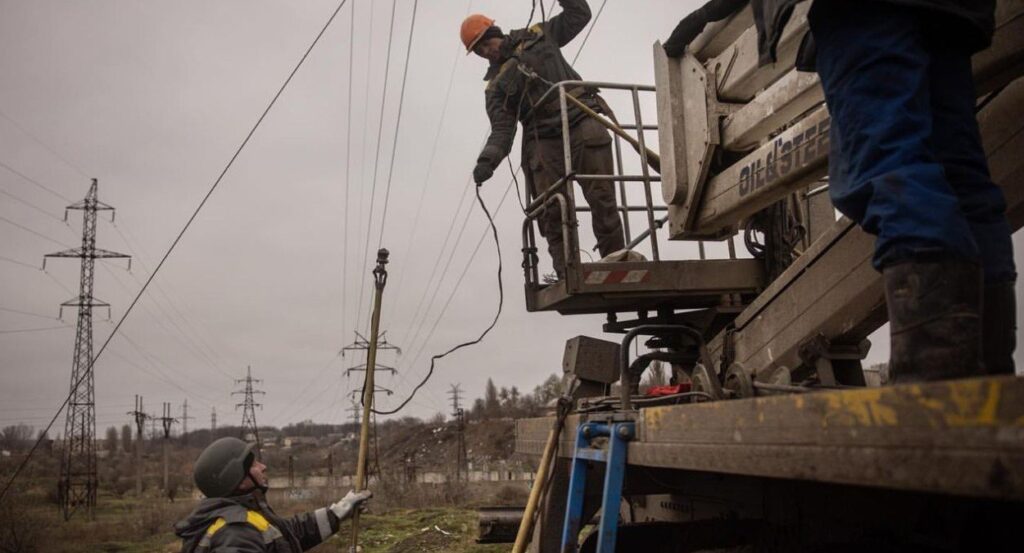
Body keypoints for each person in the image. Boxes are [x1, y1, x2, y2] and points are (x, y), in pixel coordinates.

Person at [665, 0, 1016, 381]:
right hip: (953, 14)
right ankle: (985, 373)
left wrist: (705, 17)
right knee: (961, 178)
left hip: (864, 14)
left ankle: (933, 384)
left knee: (893, 171)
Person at [463, 0, 626, 281]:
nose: (485, 51)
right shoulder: (495, 87)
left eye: (485, 43)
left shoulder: (539, 35)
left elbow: (579, 14)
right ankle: (568, 272)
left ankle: (618, 262)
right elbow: (502, 130)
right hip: (543, 137)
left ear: (495, 32)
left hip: (580, 119)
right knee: (551, 209)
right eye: (478, 50)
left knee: (602, 197)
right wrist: (487, 161)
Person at [174, 437, 372, 552]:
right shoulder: (235, 532)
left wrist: (337, 512)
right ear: (239, 478)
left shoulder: (246, 517)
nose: (263, 466)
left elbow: (290, 533)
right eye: (253, 464)